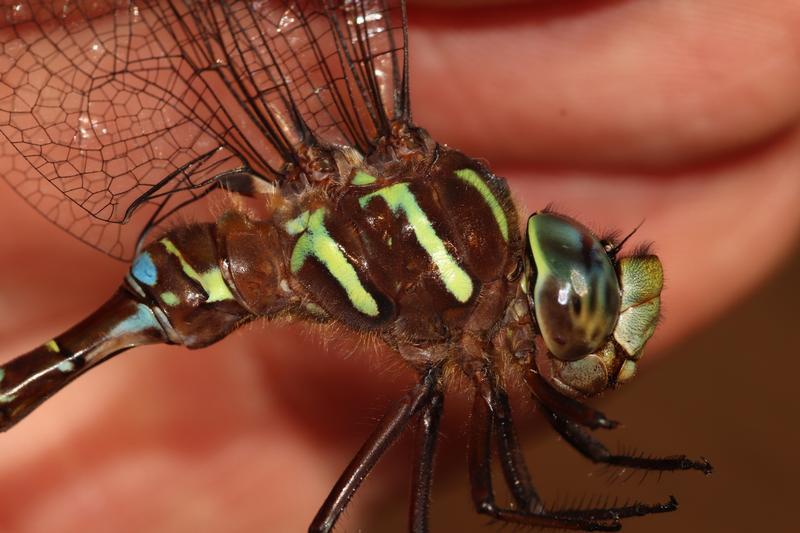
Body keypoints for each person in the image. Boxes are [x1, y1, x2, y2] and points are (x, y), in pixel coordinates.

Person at [0, 1, 797, 531]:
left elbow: (506, 491)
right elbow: (499, 495)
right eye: (582, 306)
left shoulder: (468, 315)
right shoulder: (473, 327)